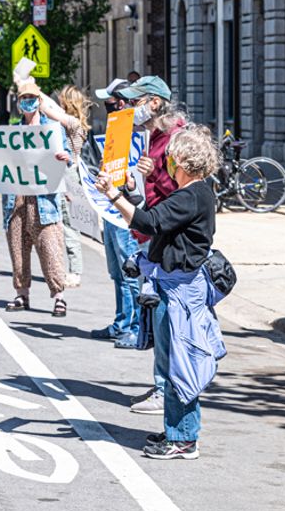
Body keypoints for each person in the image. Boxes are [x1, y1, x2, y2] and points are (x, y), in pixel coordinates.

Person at [95, 124, 222, 460]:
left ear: (181, 161)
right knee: (172, 362)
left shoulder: (192, 196)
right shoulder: (194, 194)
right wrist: (132, 193)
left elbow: (147, 222)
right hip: (177, 286)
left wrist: (113, 194)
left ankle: (183, 438)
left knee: (180, 365)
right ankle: (176, 430)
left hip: (181, 290)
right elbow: (157, 215)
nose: (165, 162)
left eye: (169, 158)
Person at [115, 76, 185, 414]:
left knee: (164, 318)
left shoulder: (175, 139)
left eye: (135, 101)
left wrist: (153, 173)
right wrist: (133, 184)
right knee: (155, 316)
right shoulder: (154, 137)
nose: (130, 108)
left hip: (168, 245)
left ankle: (167, 391)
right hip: (152, 238)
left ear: (154, 103)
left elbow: (183, 195)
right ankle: (160, 385)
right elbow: (153, 194)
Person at [3, 79, 73, 317]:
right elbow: (0, 160)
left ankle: (59, 297)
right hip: (18, 198)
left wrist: (66, 157)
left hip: (44, 199)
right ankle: (22, 294)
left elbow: (70, 153)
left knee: (50, 247)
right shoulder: (12, 131)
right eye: (23, 99)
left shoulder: (52, 129)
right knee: (18, 247)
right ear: (18, 103)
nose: (28, 102)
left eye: (31, 98)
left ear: (39, 102)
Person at [89, 78, 144, 349]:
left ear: (121, 102)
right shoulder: (115, 131)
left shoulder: (138, 132)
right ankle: (122, 323)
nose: (106, 107)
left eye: (109, 102)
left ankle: (135, 328)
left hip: (128, 211)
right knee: (117, 272)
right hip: (111, 208)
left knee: (130, 271)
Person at [57, 86, 90, 289]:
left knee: (69, 224)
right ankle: (64, 268)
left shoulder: (73, 124)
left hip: (69, 175)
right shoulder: (68, 123)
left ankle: (75, 271)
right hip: (63, 173)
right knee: (61, 224)